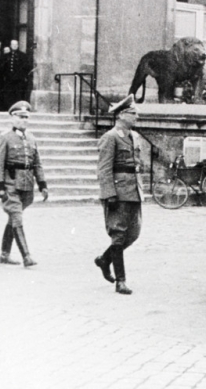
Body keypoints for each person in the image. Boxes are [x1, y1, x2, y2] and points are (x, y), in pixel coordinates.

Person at [94, 94, 143, 295]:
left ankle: (105, 260)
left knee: (132, 234)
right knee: (118, 234)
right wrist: (109, 194)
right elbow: (104, 168)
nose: (136, 117)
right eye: (133, 113)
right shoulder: (110, 137)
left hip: (134, 191)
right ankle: (120, 281)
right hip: (118, 193)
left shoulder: (135, 136)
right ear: (121, 115)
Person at [0, 101, 48, 267]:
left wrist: (42, 184)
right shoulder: (5, 137)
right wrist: (0, 188)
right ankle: (26, 256)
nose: (24, 120)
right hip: (11, 186)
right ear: (12, 118)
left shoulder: (31, 138)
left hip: (26, 187)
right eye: (20, 117)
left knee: (13, 218)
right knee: (16, 217)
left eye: (26, 117)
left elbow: (37, 163)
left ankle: (4, 254)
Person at [0, 40, 33, 111]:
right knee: (8, 95)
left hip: (18, 80)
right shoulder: (6, 56)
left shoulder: (23, 56)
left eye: (16, 45)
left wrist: (22, 76)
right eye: (13, 45)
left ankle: (17, 109)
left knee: (18, 95)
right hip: (8, 80)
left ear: (18, 45)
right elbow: (2, 68)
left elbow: (26, 67)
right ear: (10, 45)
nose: (14, 46)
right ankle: (8, 108)